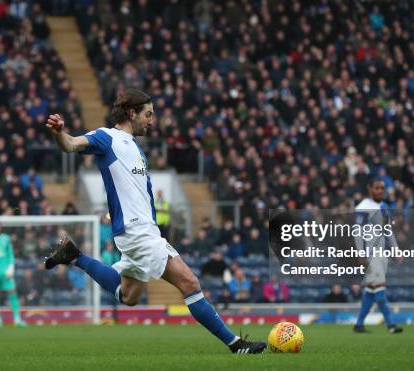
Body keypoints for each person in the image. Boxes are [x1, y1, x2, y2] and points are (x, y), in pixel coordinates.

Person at [43, 88, 265, 354]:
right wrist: (59, 133)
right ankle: (236, 344)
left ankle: (75, 256)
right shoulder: (107, 138)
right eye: (148, 114)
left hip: (142, 230)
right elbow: (71, 144)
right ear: (131, 113)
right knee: (190, 284)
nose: (152, 120)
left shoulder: (135, 149)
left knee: (129, 296)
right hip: (137, 232)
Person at [353, 179, 403, 334]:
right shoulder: (363, 207)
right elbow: (358, 232)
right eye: (377, 188)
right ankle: (390, 325)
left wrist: (396, 249)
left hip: (382, 254)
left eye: (382, 188)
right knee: (380, 288)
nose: (380, 191)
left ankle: (359, 324)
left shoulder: (384, 206)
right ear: (370, 188)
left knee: (371, 289)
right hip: (370, 254)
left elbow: (388, 230)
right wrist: (361, 254)